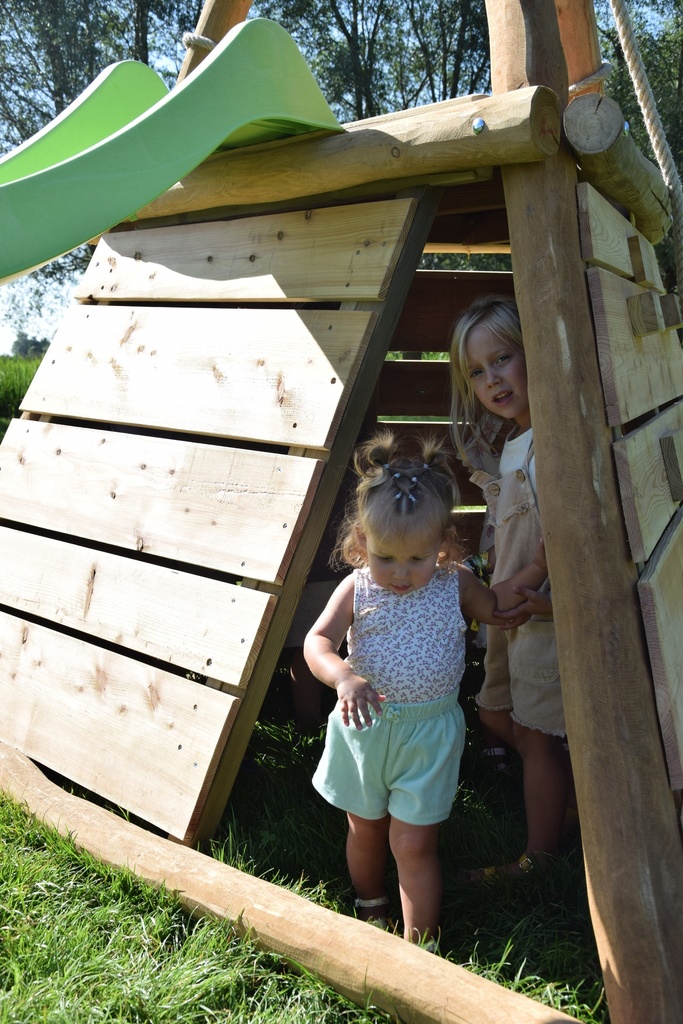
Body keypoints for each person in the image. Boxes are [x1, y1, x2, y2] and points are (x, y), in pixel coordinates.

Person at [303, 429, 548, 948]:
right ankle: (371, 906)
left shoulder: (454, 581)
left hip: (429, 736)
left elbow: (497, 605)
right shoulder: (357, 586)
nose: (400, 573)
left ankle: (422, 945)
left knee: (413, 844)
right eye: (386, 557)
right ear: (363, 543)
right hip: (364, 730)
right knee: (365, 829)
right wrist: (344, 676)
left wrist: (539, 567)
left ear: (441, 545)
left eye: (416, 559)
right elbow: (317, 641)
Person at [449, 295, 574, 882]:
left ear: (535, 353)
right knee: (499, 715)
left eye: (503, 358)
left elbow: (557, 550)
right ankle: (569, 815)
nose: (491, 378)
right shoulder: (515, 442)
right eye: (477, 370)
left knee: (536, 733)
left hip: (545, 612)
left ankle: (540, 859)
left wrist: (526, 599)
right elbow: (515, 533)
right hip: (515, 608)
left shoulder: (553, 441)